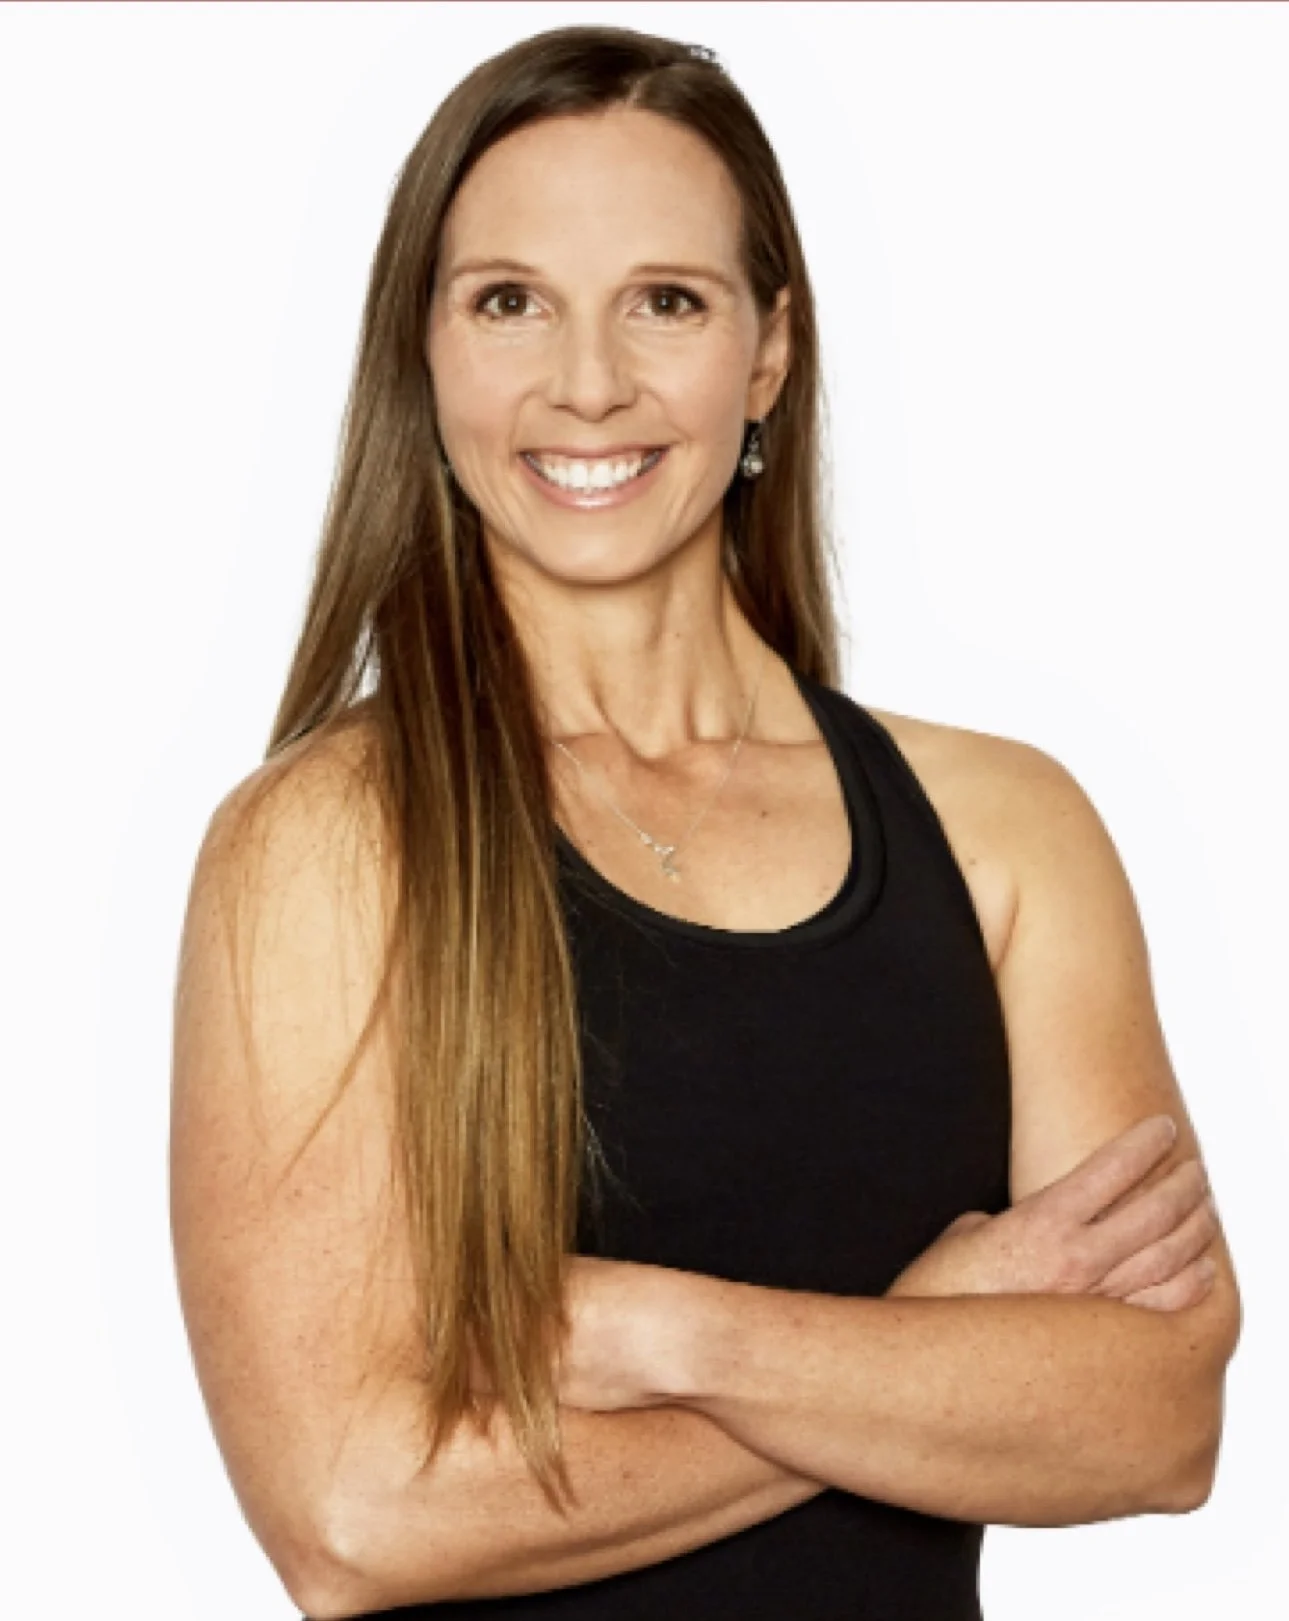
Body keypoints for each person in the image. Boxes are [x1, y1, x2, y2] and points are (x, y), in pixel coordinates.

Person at [168, 24, 1242, 1621]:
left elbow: (1159, 1420)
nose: (587, 382)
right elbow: (352, 1513)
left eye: (665, 302)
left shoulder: (1005, 833)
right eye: (509, 302)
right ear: (427, 349)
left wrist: (683, 1338)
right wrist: (928, 1336)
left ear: (767, 351)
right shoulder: (325, 847)